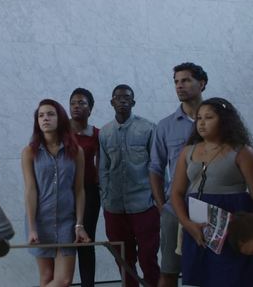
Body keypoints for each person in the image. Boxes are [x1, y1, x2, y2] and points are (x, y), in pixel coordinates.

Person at [171, 97, 253, 287]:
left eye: (209, 117)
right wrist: (187, 223)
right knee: (200, 276)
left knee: (232, 276)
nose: (202, 122)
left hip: (232, 223)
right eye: (199, 118)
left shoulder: (242, 151)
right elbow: (176, 193)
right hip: (197, 221)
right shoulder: (188, 151)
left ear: (224, 120)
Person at [149, 62, 208, 287]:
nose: (179, 86)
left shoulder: (219, 120)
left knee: (211, 268)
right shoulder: (165, 126)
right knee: (170, 270)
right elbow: (155, 167)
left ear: (201, 84)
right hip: (175, 208)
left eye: (185, 80)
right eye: (176, 82)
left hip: (211, 205)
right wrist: (161, 203)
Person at [22, 99, 90, 287]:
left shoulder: (76, 152)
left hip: (67, 222)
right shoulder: (29, 152)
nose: (45, 119)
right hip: (40, 222)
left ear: (60, 118)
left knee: (64, 280)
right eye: (41, 115)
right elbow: (30, 190)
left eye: (50, 114)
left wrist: (79, 224)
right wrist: (32, 226)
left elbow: (79, 190)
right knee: (46, 277)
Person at [99, 84, 160, 287]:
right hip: (115, 207)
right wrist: (106, 197)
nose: (122, 101)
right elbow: (103, 168)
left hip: (144, 204)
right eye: (118, 98)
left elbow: (158, 166)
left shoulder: (149, 128)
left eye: (127, 98)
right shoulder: (105, 133)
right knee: (123, 259)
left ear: (133, 102)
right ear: (112, 102)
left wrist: (158, 199)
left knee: (148, 257)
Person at [69, 88, 100, 287]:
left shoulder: (97, 134)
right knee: (63, 241)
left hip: (89, 192)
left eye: (82, 103)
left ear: (90, 109)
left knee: (86, 242)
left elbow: (102, 164)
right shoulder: (60, 132)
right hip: (63, 193)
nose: (76, 107)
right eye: (73, 103)